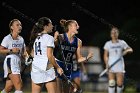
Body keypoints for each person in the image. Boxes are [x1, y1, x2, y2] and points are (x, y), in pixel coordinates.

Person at [54, 19, 93, 93]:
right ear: (70, 27)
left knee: (66, 91)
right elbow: (52, 46)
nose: (78, 26)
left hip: (68, 66)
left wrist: (87, 57)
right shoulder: (61, 37)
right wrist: (55, 38)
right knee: (58, 91)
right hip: (58, 64)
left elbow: (79, 59)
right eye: (76, 25)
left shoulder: (78, 42)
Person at [28, 17, 63, 93]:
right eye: (51, 24)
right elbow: (49, 55)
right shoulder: (49, 38)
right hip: (47, 67)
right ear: (46, 26)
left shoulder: (36, 37)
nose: (52, 26)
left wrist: (55, 38)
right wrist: (58, 67)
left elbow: (33, 54)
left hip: (35, 68)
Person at [0, 19, 28, 93]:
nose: (20, 27)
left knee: (8, 87)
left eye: (20, 25)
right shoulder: (7, 38)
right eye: (17, 25)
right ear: (12, 27)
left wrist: (26, 57)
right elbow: (1, 50)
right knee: (19, 85)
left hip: (17, 62)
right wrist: (11, 50)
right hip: (10, 61)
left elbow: (24, 52)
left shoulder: (21, 39)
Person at [103, 27, 133, 93]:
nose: (114, 34)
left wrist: (127, 51)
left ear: (118, 34)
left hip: (120, 66)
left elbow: (131, 49)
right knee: (111, 83)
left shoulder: (122, 43)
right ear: (110, 34)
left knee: (119, 84)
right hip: (111, 65)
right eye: (112, 33)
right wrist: (106, 64)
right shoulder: (108, 44)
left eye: (115, 32)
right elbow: (105, 55)